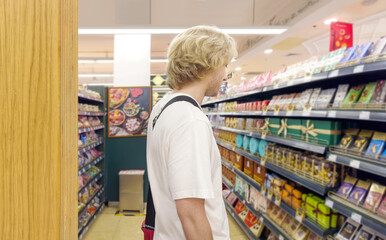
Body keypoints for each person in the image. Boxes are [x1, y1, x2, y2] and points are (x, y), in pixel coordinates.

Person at [146, 25, 237, 240]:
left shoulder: (163, 107)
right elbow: (191, 213)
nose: (225, 76)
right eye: (224, 66)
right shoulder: (190, 120)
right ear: (208, 64)